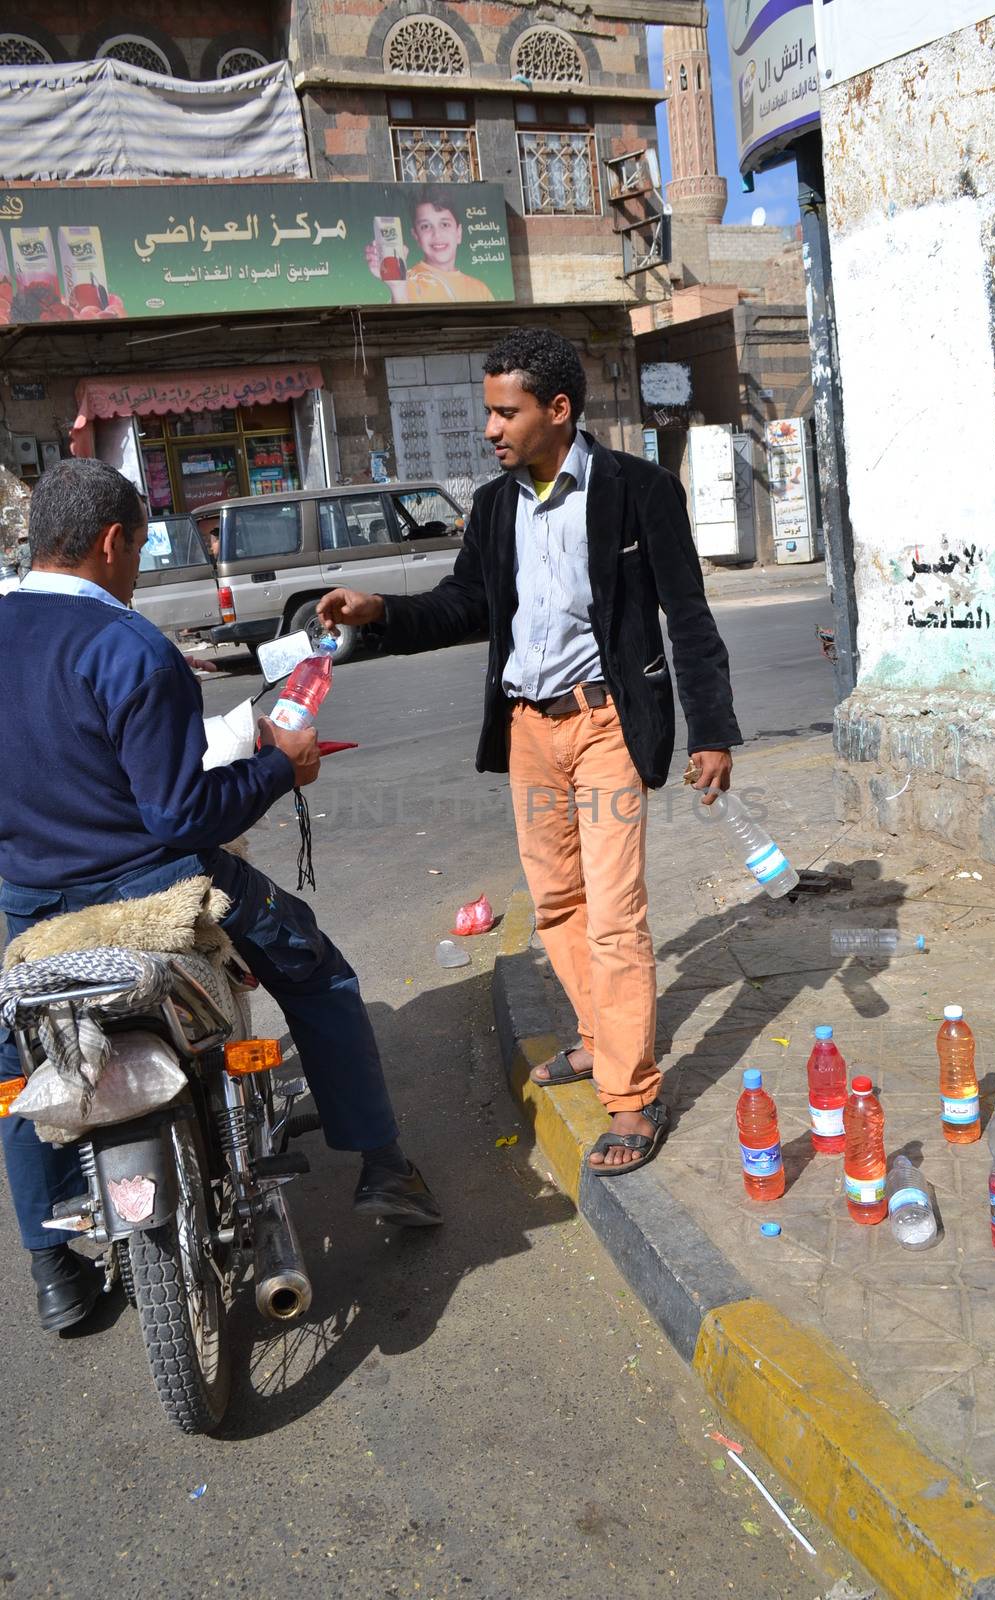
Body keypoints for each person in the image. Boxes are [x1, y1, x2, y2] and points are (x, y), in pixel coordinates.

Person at [0, 459, 440, 1335]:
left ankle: (52, 1265)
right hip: (158, 888)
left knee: (24, 1067)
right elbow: (179, 811)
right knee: (321, 976)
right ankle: (381, 1162)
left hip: (33, 907)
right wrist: (282, 764)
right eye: (138, 547)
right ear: (114, 541)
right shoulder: (126, 645)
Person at [318, 328, 741, 1175]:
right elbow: (463, 605)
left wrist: (713, 731)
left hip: (606, 725)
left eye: (504, 412)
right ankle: (597, 1036)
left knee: (616, 914)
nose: (490, 429)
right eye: (488, 413)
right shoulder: (495, 505)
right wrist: (381, 614)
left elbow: (686, 616)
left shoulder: (637, 491)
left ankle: (631, 1095)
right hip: (528, 728)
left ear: (557, 410)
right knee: (557, 903)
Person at [365, 190, 495, 305]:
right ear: (416, 235)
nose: (437, 234)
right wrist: (397, 287)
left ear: (459, 233)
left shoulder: (480, 290)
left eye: (444, 224)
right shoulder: (406, 283)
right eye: (426, 226)